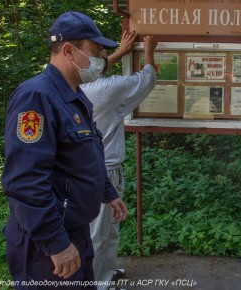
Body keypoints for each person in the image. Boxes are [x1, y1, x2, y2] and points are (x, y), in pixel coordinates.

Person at [1, 11, 127, 289]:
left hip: (76, 231)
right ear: (69, 51)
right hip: (47, 245)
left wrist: (107, 193)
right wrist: (56, 243)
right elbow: (25, 181)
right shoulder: (36, 97)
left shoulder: (74, 96)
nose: (102, 59)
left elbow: (86, 155)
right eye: (96, 51)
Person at [80, 31, 157, 288]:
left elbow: (92, 71)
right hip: (106, 171)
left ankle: (106, 272)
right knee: (100, 233)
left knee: (108, 229)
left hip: (88, 169)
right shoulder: (106, 89)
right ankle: (97, 283)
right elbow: (145, 79)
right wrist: (148, 51)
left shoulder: (74, 85)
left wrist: (121, 53)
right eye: (99, 53)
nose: (103, 57)